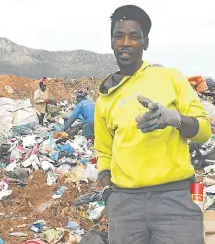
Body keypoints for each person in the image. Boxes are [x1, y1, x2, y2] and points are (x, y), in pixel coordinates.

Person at [95, 5, 210, 244]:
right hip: (125, 207)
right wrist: (108, 193)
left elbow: (204, 131)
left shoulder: (170, 78)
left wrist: (175, 120)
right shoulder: (105, 98)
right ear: (111, 42)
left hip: (174, 200)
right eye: (119, 36)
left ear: (145, 42)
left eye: (134, 37)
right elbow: (104, 152)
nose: (126, 42)